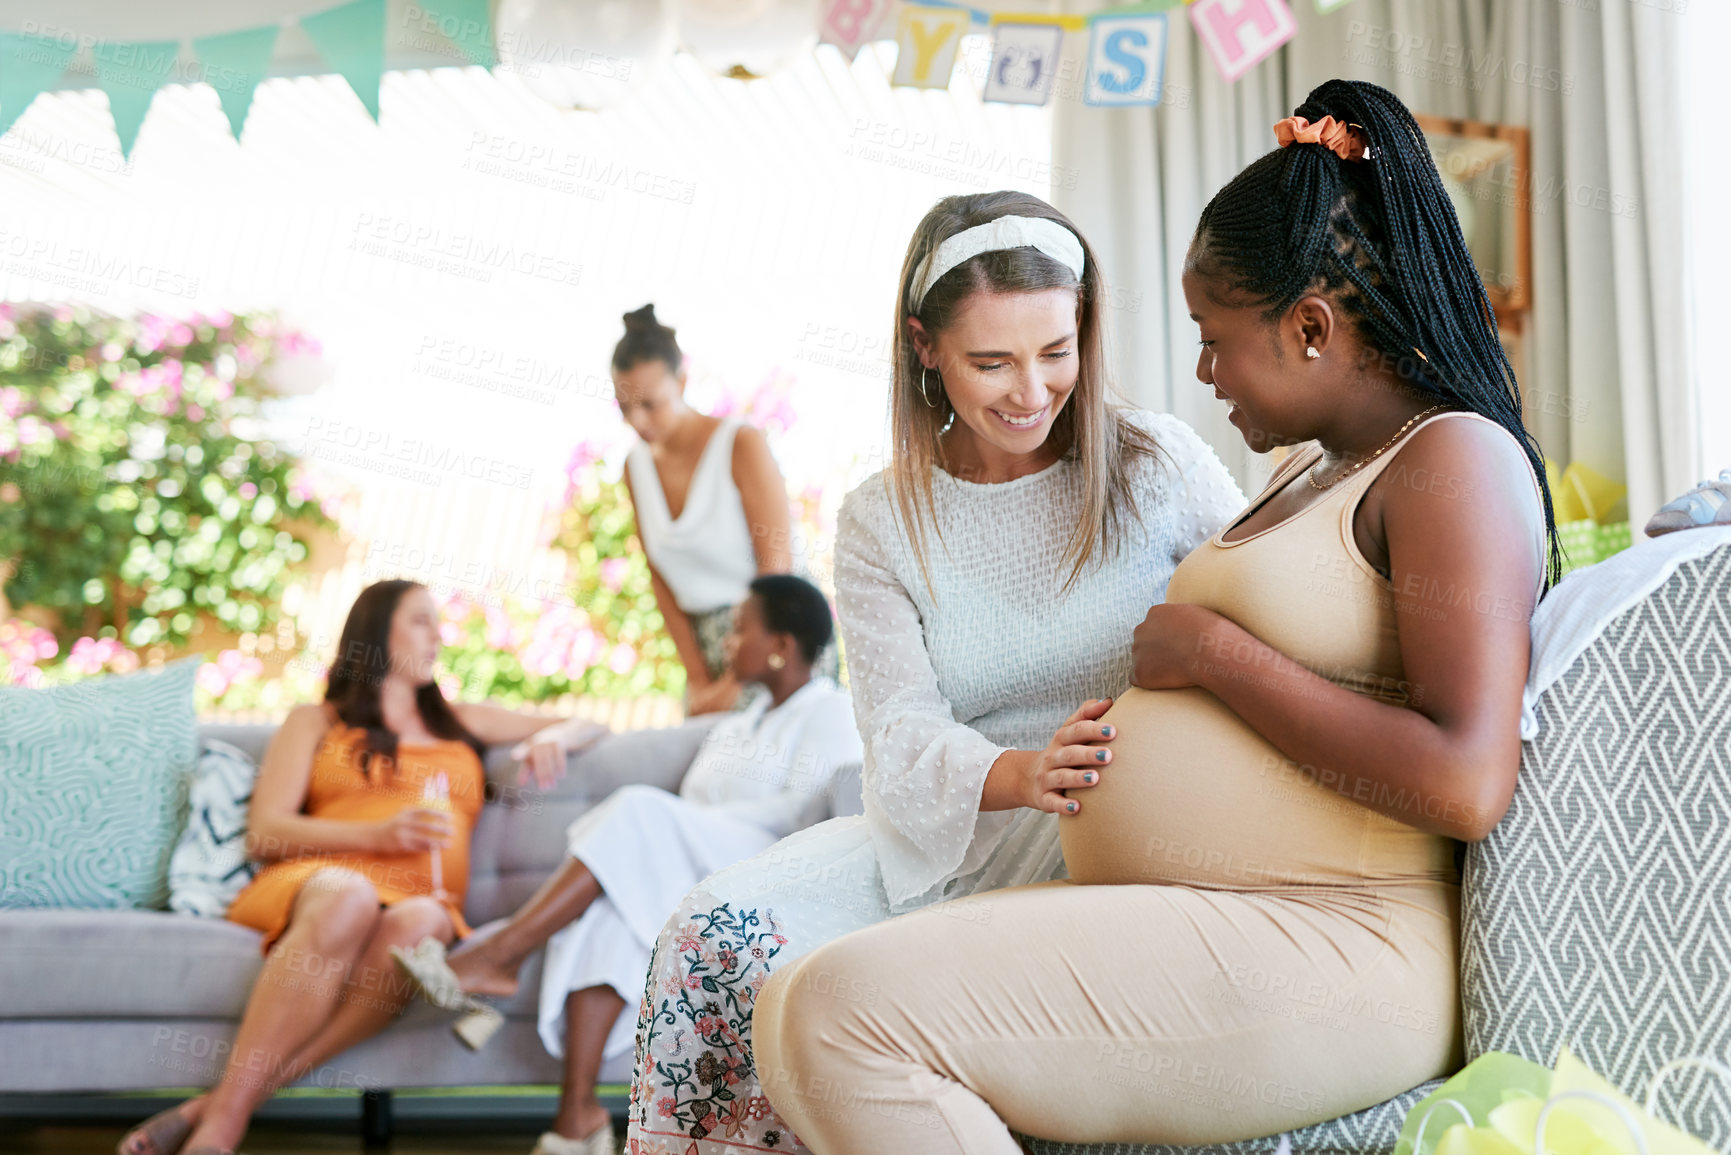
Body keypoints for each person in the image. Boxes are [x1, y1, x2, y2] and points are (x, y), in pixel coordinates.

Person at [750, 80, 1559, 1154]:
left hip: (1336, 946)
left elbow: (1464, 781)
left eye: (1215, 338)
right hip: (1223, 913)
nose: (1200, 372)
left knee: (838, 1020)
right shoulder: (1319, 471)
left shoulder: (1451, 460)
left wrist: (1221, 658)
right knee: (792, 998)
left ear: (1311, 327)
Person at [622, 190, 1248, 1155]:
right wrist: (1020, 773)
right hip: (963, 830)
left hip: (1123, 822)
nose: (1032, 391)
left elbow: (1263, 608)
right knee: (715, 934)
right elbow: (901, 735)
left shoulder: (1154, 461)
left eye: (1056, 351)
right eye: (990, 361)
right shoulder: (883, 519)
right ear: (923, 347)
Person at [117, 580, 606, 1155]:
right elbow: (265, 832)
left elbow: (591, 722)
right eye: (421, 620)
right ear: (377, 631)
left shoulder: (462, 722)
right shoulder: (317, 721)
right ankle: (222, 1131)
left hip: (420, 899)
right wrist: (377, 833)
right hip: (319, 885)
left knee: (421, 922)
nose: (438, 636)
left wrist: (557, 737)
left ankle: (215, 1108)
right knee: (348, 894)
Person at [391, 575, 862, 1155]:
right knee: (609, 921)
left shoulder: (830, 711)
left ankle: (503, 952)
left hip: (765, 862)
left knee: (641, 808)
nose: (726, 643)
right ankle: (577, 1119)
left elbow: (823, 814)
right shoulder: (735, 725)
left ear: (781, 646)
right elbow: (692, 807)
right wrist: (677, 835)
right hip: (694, 865)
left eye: (740, 629)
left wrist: (681, 829)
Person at [613, 304, 795, 715]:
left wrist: (736, 681)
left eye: (650, 404)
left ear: (682, 379)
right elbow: (659, 577)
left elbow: (777, 566)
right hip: (705, 657)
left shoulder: (740, 444)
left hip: (773, 642)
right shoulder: (635, 467)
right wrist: (698, 682)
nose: (638, 422)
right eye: (625, 407)